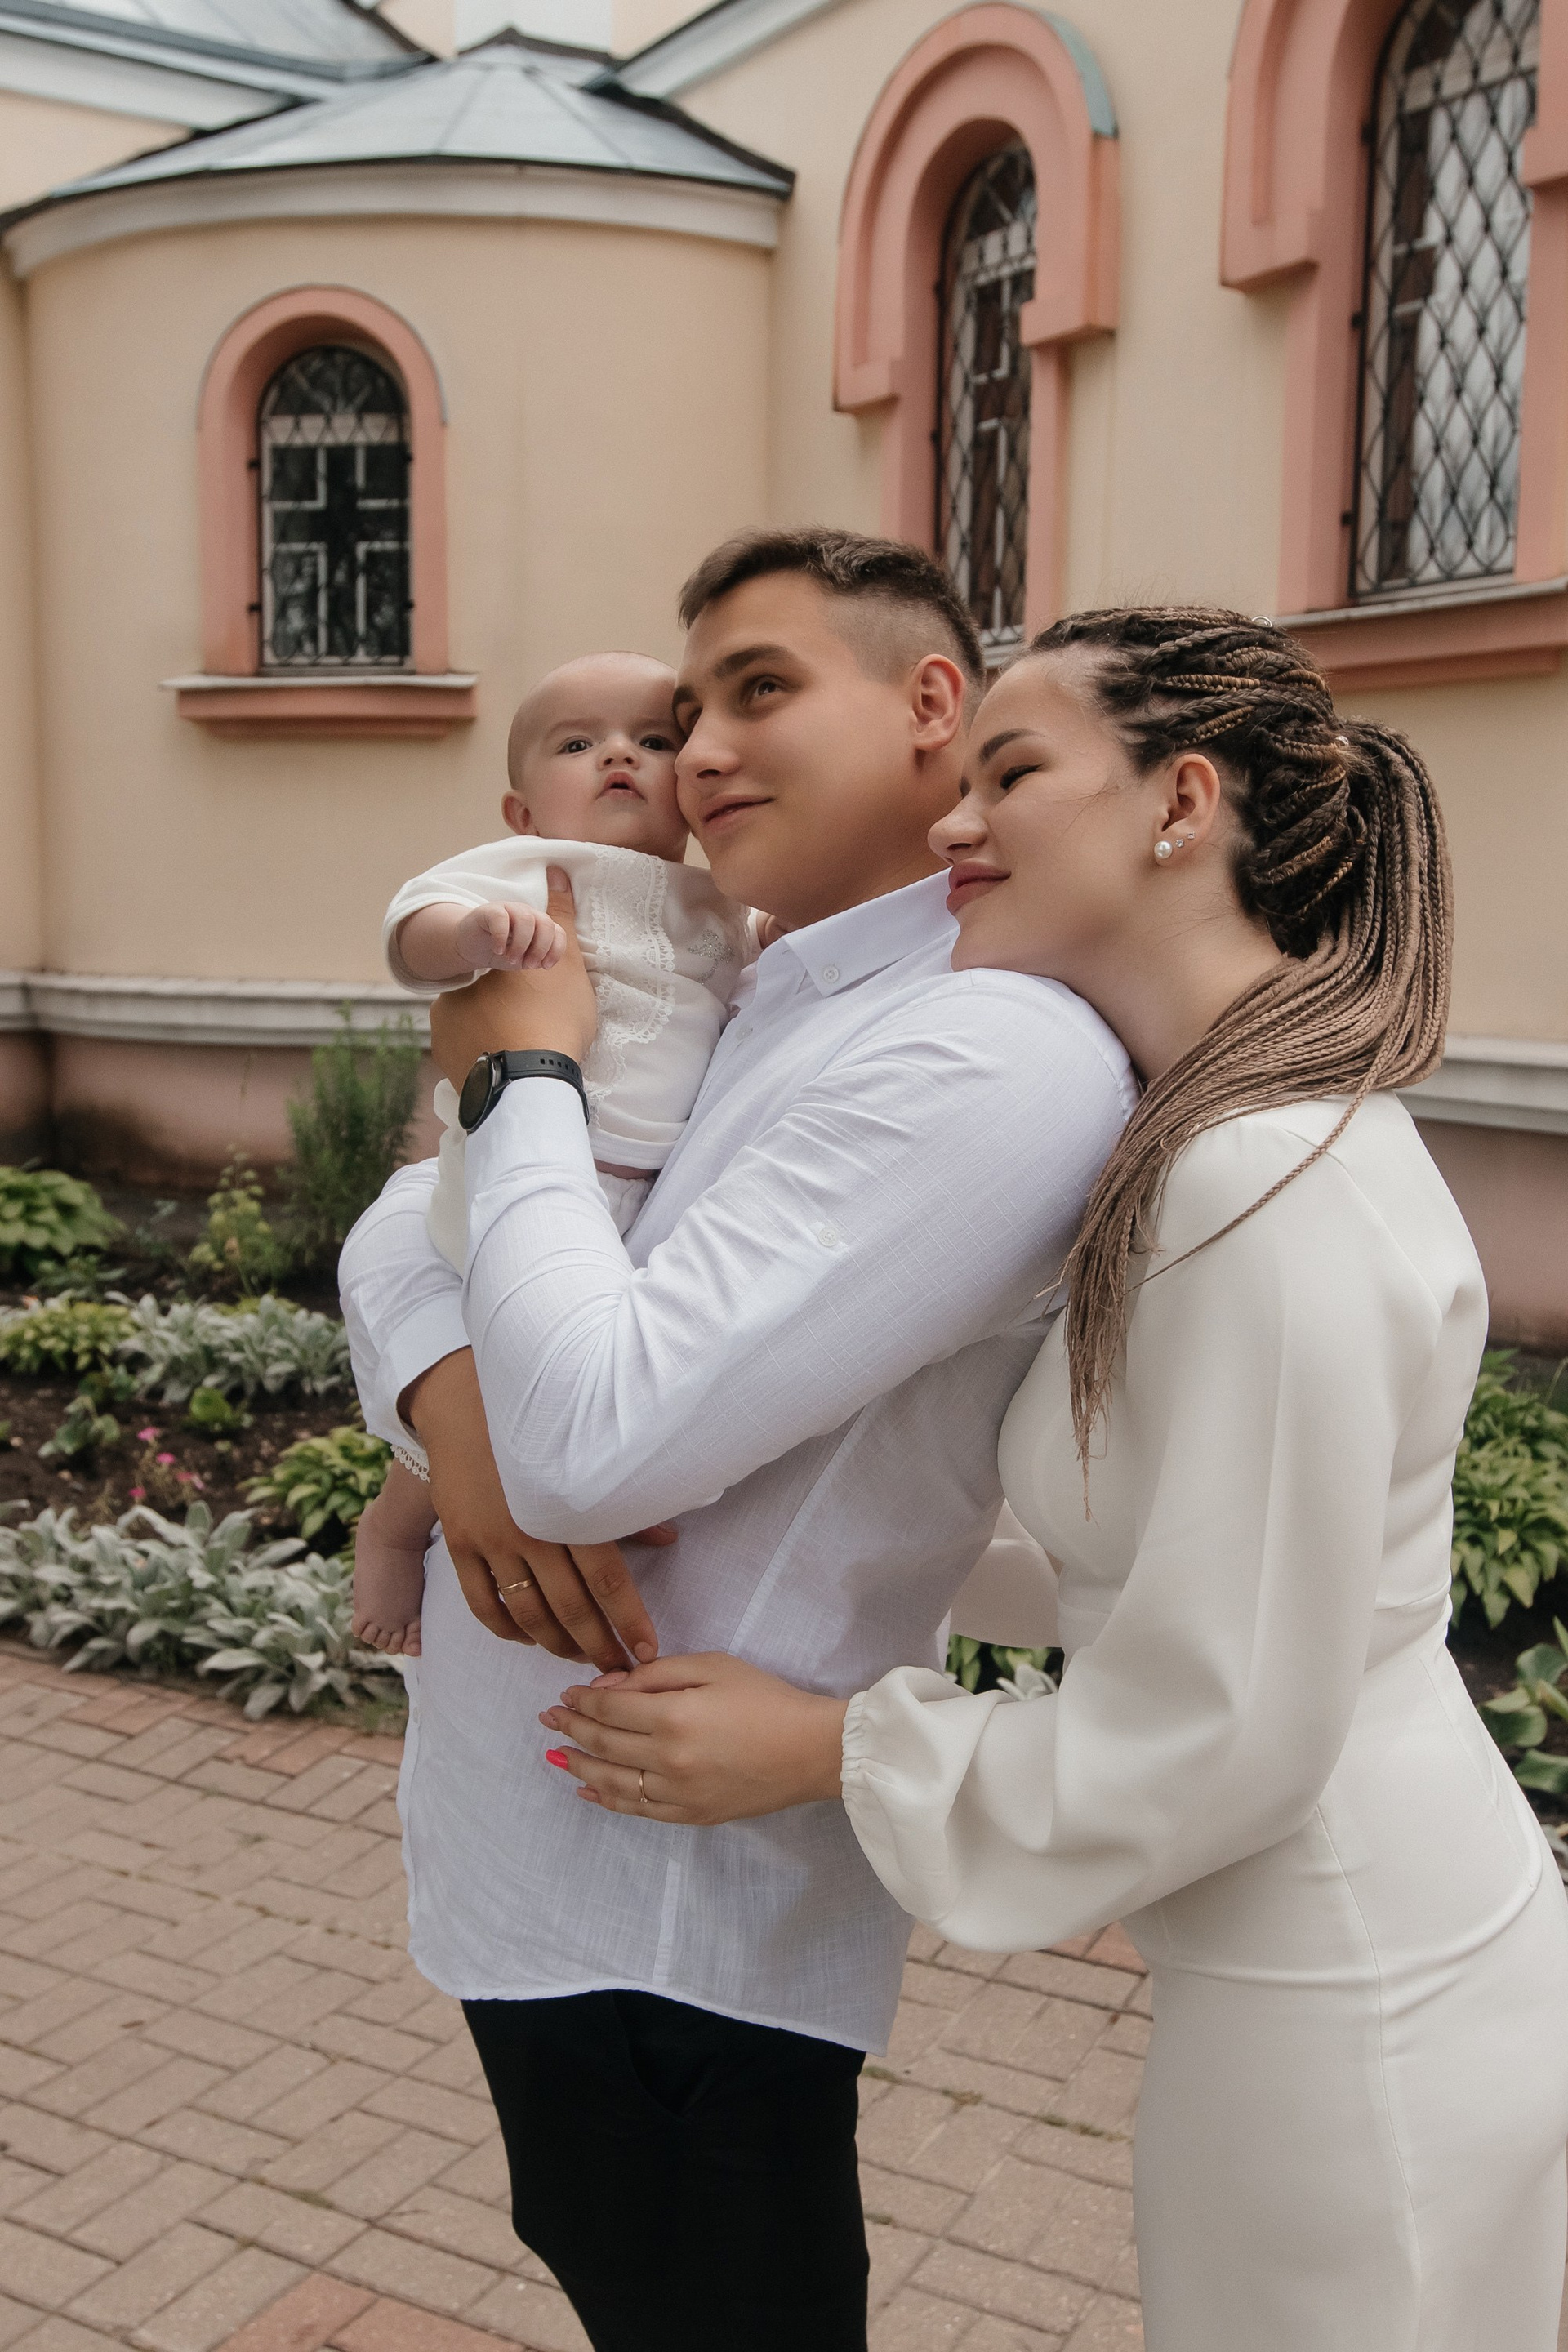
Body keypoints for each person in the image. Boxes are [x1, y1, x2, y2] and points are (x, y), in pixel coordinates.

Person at [544, 608, 1568, 2352]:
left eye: (1010, 772)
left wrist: (832, 1747)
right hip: (1345, 1949)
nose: (955, 820)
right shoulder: (1239, 1133)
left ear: (1183, 802)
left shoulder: (1255, 1179)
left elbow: (1225, 1722)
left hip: (1350, 1997)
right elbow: (1186, 1551)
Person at [339, 529, 1134, 2352]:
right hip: (545, 1837)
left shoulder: (988, 1048)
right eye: (686, 708)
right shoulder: (749, 982)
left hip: (676, 1899)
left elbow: (598, 1444)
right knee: (605, 2253)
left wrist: (517, 1075)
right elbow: (407, 1222)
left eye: (757, 692)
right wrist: (456, 1418)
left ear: (930, 702)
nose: (693, 755)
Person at [352, 652, 748, 1654]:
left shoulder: (723, 899)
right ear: (521, 811)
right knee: (486, 1368)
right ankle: (394, 1530)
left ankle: (576, 1502)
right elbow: (409, 928)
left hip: (646, 1192)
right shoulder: (530, 871)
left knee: (587, 1370)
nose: (620, 755)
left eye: (653, 741)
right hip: (514, 1167)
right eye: (579, 744)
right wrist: (472, 935)